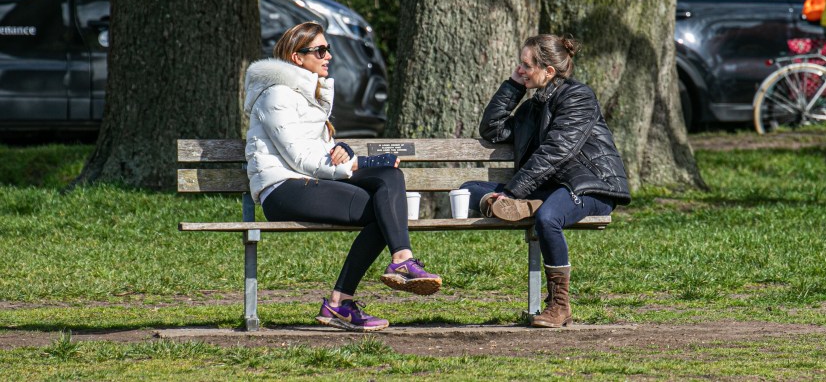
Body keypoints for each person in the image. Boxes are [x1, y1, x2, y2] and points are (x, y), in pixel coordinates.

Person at [244, 21, 441, 332]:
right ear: (298, 58)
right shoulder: (276, 96)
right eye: (320, 50)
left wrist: (342, 149)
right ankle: (341, 302)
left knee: (390, 179)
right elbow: (299, 158)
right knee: (384, 207)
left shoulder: (306, 93)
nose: (328, 56)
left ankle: (395, 263)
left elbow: (318, 149)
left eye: (328, 49)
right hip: (283, 189)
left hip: (310, 182)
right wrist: (355, 163)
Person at [460, 34, 631, 328]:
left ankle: (559, 306)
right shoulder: (531, 107)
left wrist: (513, 192)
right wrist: (514, 85)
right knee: (468, 190)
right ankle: (528, 204)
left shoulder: (578, 97)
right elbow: (492, 128)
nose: (521, 69)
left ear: (549, 71)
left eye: (526, 65)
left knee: (548, 219)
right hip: (546, 187)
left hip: (590, 185)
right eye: (520, 65)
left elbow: (557, 152)